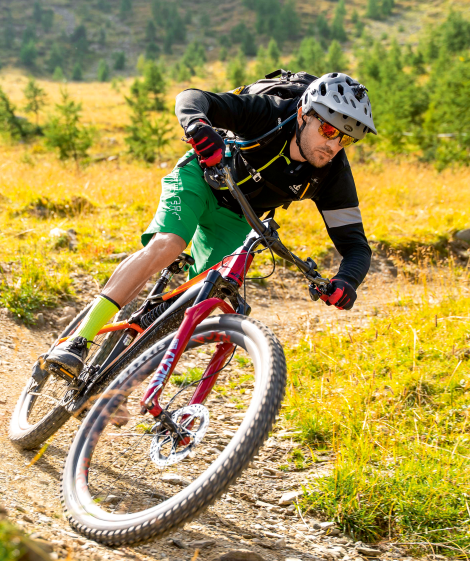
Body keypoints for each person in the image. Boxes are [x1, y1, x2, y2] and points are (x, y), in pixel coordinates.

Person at [44, 72, 376, 380]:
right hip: (202, 179)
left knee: (197, 300)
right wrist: (199, 127)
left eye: (346, 139)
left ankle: (113, 383)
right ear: (304, 113)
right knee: (168, 245)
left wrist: (347, 280)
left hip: (238, 218)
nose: (333, 146)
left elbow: (356, 246)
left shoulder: (331, 174)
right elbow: (191, 99)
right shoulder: (267, 113)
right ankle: (76, 342)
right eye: (329, 130)